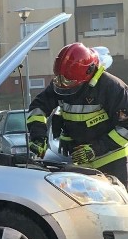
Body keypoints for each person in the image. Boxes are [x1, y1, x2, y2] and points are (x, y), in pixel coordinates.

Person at [27, 43, 128, 183]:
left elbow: (125, 128)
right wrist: (38, 135)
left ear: (89, 72)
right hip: (80, 161)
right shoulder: (62, 83)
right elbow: (38, 107)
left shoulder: (112, 88)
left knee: (115, 202)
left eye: (68, 81)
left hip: (112, 160)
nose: (64, 85)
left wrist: (96, 149)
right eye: (59, 79)